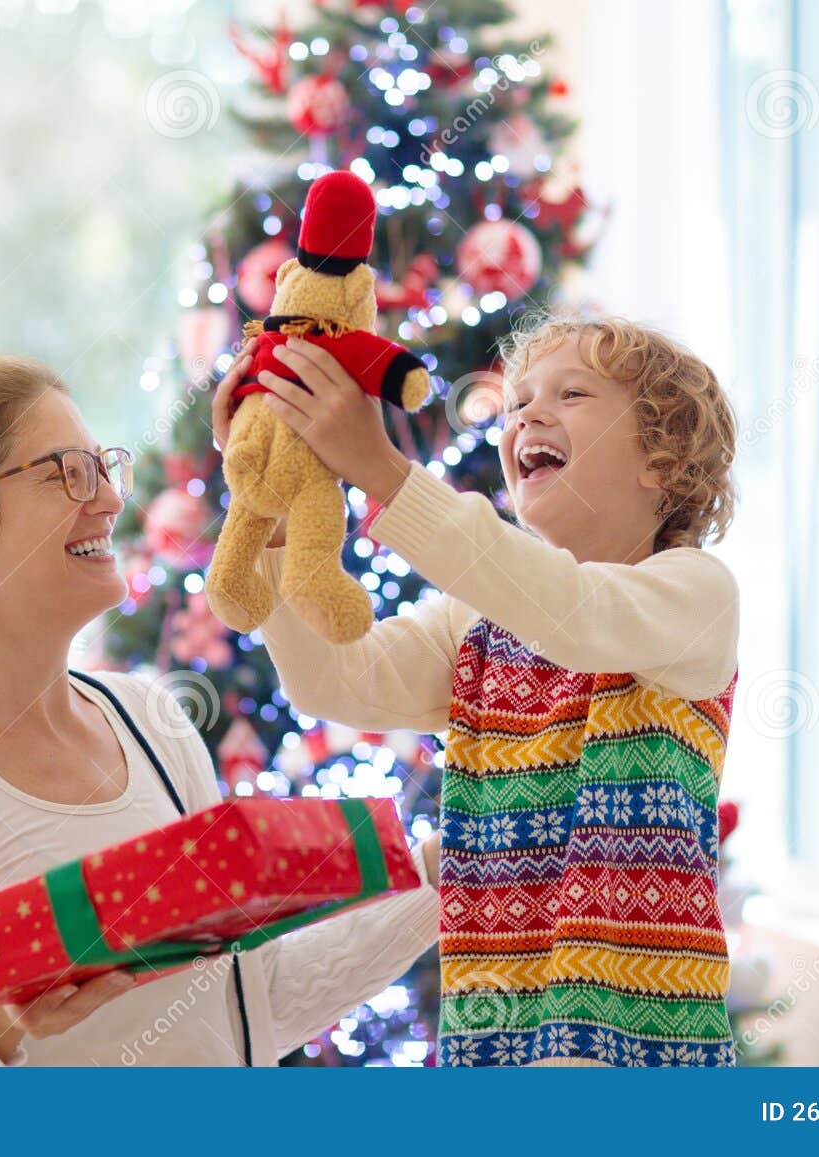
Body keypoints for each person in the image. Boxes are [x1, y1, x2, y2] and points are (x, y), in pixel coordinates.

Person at [0, 355, 440, 1066]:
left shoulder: (152, 721)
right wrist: (1, 1019)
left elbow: (248, 1009)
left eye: (104, 466)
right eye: (66, 472)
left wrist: (442, 872)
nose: (108, 498)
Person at [212, 313, 740, 1066]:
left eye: (572, 393)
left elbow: (574, 613)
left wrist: (386, 472)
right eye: (518, 399)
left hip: (637, 1052)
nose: (527, 412)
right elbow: (332, 677)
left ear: (660, 458)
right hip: (491, 1042)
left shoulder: (694, 592)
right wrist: (270, 496)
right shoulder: (480, 619)